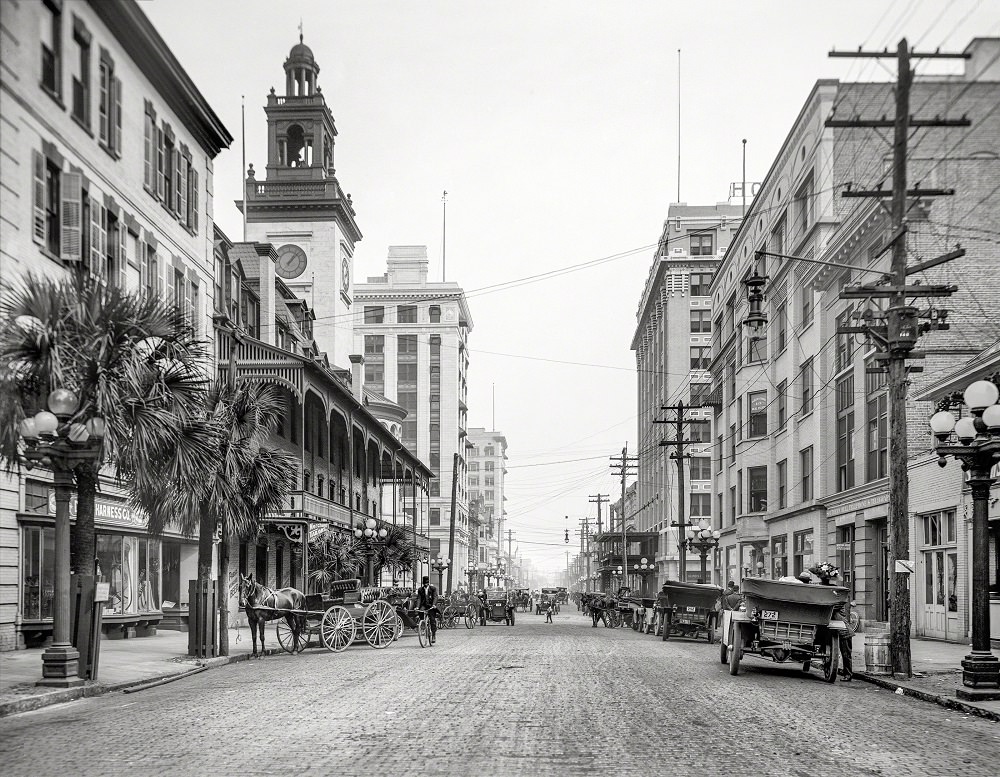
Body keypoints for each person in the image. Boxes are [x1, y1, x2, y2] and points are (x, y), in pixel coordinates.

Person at [416, 576, 438, 645]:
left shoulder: (433, 589)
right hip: (424, 605)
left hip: (431, 605)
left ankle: (433, 634)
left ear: (428, 583)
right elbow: (419, 599)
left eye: (427, 583)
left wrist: (434, 605)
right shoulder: (420, 590)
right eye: (424, 584)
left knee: (432, 620)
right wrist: (417, 607)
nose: (426, 585)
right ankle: (423, 625)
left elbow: (435, 597)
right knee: (420, 612)